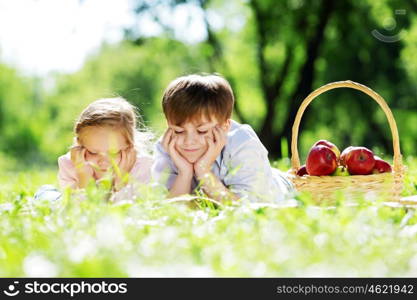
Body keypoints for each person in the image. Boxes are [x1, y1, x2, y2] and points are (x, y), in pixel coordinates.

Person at [152, 74, 294, 203]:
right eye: (179, 130)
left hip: (278, 192)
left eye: (202, 131)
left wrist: (203, 171)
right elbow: (171, 210)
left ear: (225, 126)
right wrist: (185, 172)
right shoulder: (167, 146)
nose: (189, 141)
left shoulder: (242, 143)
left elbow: (248, 209)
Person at [56, 97, 153, 201]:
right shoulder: (70, 165)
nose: (103, 161)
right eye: (93, 152)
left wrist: (121, 183)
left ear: (130, 147)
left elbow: (131, 211)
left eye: (113, 153)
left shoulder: (142, 166)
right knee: (50, 197)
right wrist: (84, 181)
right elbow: (76, 213)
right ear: (79, 146)